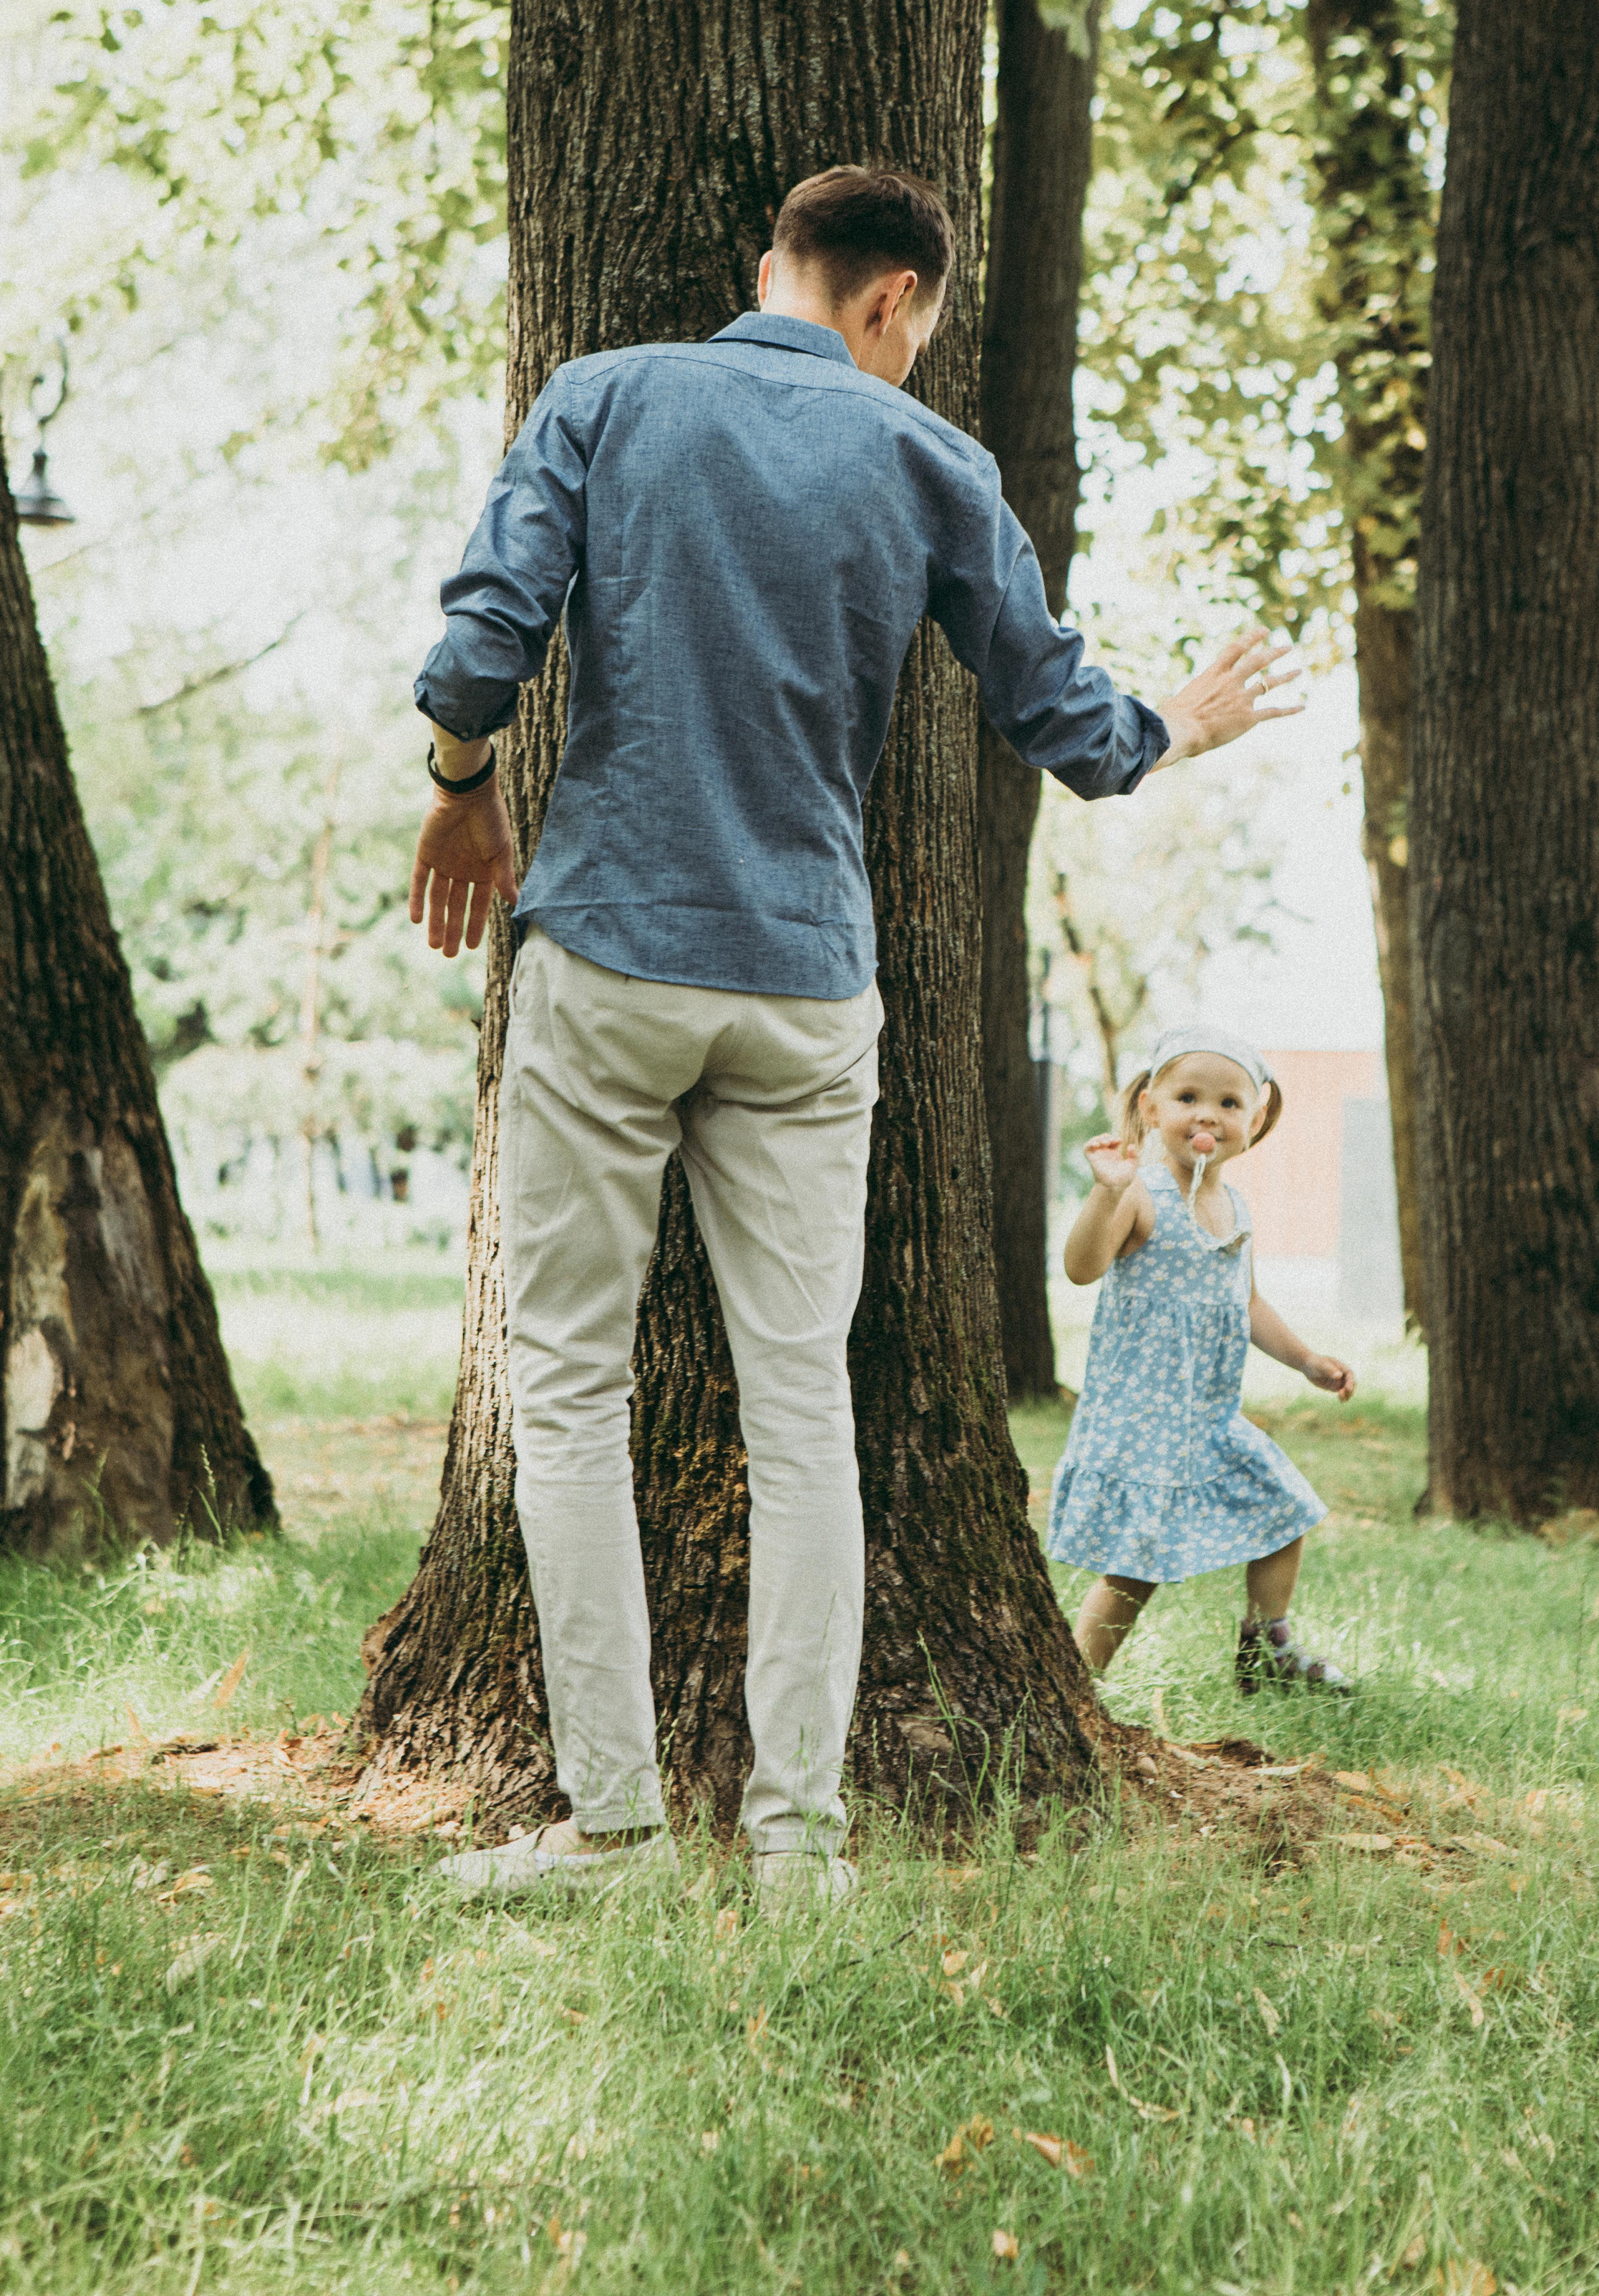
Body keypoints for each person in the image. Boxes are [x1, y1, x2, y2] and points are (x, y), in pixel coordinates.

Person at [407, 165, 1298, 1911]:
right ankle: (798, 1844)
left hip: (608, 945)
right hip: (806, 978)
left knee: (572, 1386)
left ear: (780, 272)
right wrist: (1178, 721)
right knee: (799, 1394)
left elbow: (483, 643)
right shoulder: (932, 461)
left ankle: (608, 1830)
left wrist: (458, 794)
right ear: (893, 301)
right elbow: (1072, 725)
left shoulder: (604, 394)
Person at [1051, 1025, 1355, 1693]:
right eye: (1188, 1096)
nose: (1207, 1115)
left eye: (1228, 1103)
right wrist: (1105, 1190)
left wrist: (1305, 1360)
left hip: (1209, 1416)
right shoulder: (1139, 1191)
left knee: (1285, 1510)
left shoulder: (1235, 1205)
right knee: (1136, 1569)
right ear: (1151, 1108)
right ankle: (1073, 1687)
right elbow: (1081, 1268)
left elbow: (1246, 1304)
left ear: (1257, 1117)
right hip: (1143, 1418)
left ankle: (1265, 1651)